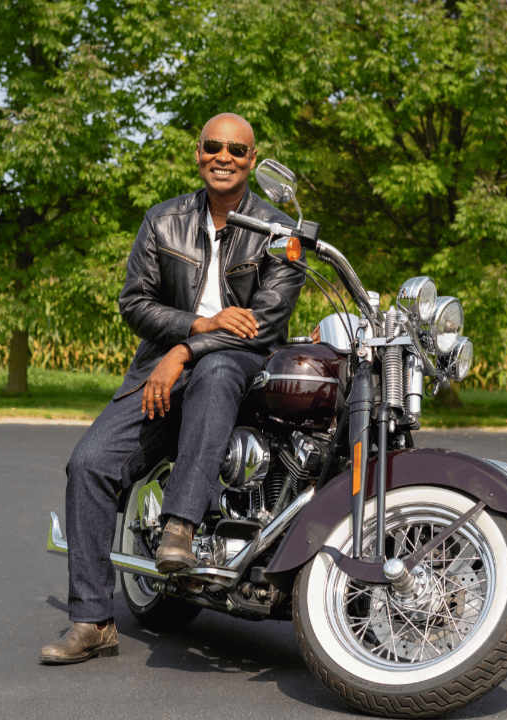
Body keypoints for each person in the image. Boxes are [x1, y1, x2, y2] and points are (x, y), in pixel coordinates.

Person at [39, 113, 305, 664]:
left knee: (216, 370)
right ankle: (91, 620)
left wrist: (188, 350)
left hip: (236, 371)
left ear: (252, 161)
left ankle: (180, 526)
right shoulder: (164, 221)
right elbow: (134, 303)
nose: (224, 156)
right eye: (214, 146)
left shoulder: (280, 232)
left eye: (236, 149)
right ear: (199, 154)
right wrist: (195, 329)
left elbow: (267, 325)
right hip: (159, 372)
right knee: (88, 465)